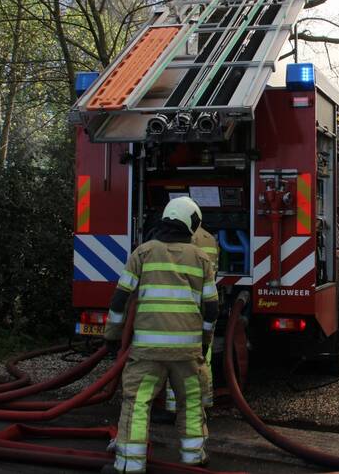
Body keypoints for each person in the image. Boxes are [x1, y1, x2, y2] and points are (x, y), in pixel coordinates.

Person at [102, 196, 218, 474]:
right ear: (191, 224)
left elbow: (120, 300)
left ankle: (130, 464)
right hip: (187, 354)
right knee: (191, 403)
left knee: (137, 403)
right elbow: (212, 308)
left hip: (147, 353)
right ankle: (194, 459)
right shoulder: (201, 258)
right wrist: (204, 342)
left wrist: (112, 337)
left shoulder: (142, 253)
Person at [166, 225, 219, 411]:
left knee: (176, 359)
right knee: (203, 358)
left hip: (181, 307)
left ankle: (176, 407)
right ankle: (203, 403)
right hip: (202, 306)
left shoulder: (177, 241)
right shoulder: (209, 238)